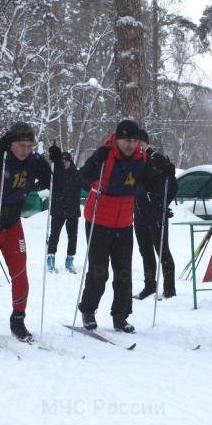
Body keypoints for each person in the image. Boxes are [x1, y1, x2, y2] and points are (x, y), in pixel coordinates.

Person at [0, 122, 51, 343]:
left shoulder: (33, 161)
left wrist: (59, 165)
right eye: (21, 145)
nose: (25, 150)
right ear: (11, 143)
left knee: (19, 270)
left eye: (29, 146)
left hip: (12, 222)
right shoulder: (0, 156)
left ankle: (18, 319)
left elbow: (53, 182)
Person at [78, 119, 147, 334]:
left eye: (134, 141)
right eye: (127, 140)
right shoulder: (105, 154)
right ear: (117, 138)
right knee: (99, 272)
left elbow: (149, 182)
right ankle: (88, 311)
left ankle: (120, 316)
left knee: (124, 273)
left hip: (125, 221)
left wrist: (164, 171)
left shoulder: (141, 157)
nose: (130, 145)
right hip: (98, 219)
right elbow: (83, 178)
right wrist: (96, 160)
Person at [133, 130, 178, 300]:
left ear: (146, 143)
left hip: (156, 213)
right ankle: (149, 286)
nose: (137, 146)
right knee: (145, 251)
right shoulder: (134, 161)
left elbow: (172, 186)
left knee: (162, 250)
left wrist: (162, 205)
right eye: (134, 142)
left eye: (139, 143)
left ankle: (169, 289)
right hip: (139, 213)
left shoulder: (156, 158)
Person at [46, 144, 89, 273]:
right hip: (57, 211)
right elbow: (43, 184)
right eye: (62, 161)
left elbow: (88, 187)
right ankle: (51, 257)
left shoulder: (77, 175)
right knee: (54, 235)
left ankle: (70, 259)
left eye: (66, 161)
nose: (64, 163)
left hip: (72, 212)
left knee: (72, 237)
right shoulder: (55, 174)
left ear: (70, 161)